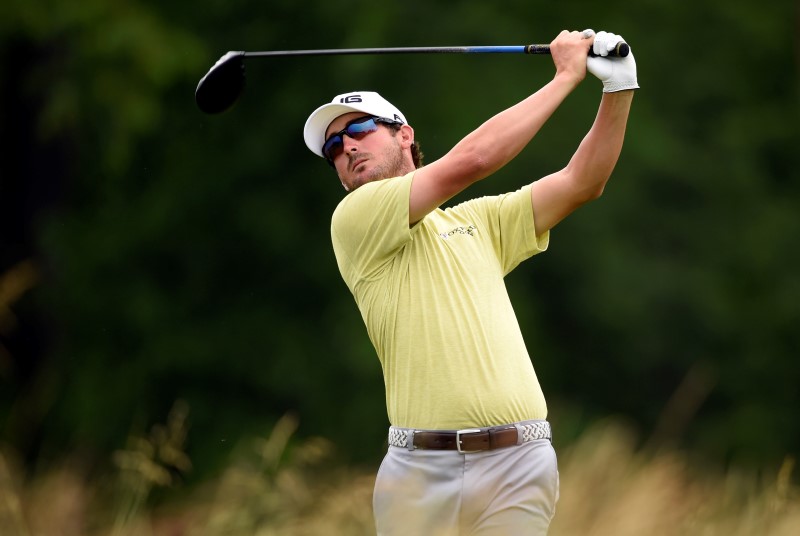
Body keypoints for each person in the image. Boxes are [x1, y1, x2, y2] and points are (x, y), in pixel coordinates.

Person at [302, 29, 637, 535]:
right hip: (418, 474)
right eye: (332, 146)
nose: (345, 146)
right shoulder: (355, 219)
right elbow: (473, 162)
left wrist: (618, 90)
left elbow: (581, 182)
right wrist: (566, 77)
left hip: (518, 464)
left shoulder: (478, 223)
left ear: (404, 135)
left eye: (361, 128)